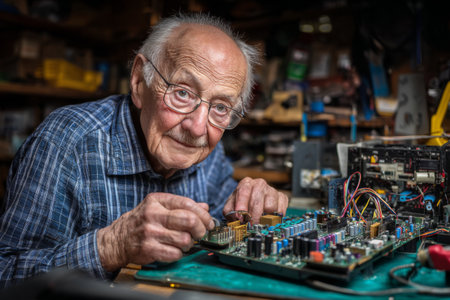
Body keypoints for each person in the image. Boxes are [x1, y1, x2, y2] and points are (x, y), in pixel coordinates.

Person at [0, 13, 288, 288]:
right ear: (139, 81)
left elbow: (225, 209)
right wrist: (111, 246)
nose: (198, 128)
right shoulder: (65, 143)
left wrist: (250, 201)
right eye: (183, 92)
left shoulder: (209, 148)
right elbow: (5, 276)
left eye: (221, 107)